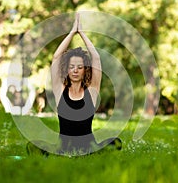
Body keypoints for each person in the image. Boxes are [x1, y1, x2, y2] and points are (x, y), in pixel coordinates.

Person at [27, 13, 121, 156]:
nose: (75, 70)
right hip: (63, 149)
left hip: (88, 149)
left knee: (116, 142)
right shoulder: (60, 90)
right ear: (67, 69)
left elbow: (95, 57)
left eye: (79, 67)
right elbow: (56, 57)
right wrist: (72, 32)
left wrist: (82, 33)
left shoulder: (92, 91)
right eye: (71, 67)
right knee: (33, 145)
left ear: (85, 70)